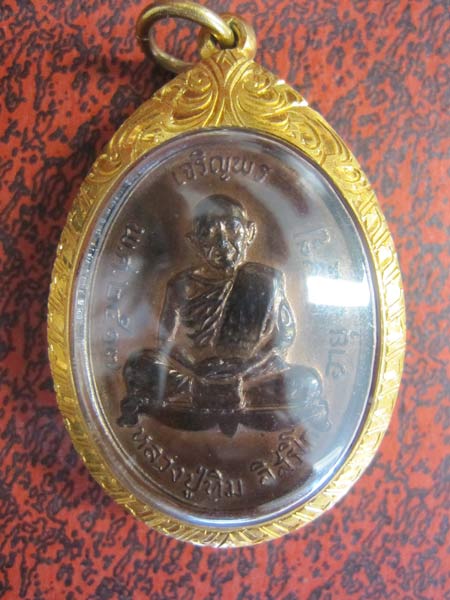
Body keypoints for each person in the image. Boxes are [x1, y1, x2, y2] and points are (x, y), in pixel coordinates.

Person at [118, 194, 329, 435]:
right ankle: (212, 396)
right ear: (195, 241)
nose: (223, 244)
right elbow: (165, 341)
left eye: (232, 230)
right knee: (138, 366)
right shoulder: (181, 285)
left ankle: (207, 399)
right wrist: (197, 369)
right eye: (209, 234)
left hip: (251, 379)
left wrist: (246, 370)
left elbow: (283, 339)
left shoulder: (267, 281)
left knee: (306, 382)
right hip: (195, 377)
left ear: (249, 233)